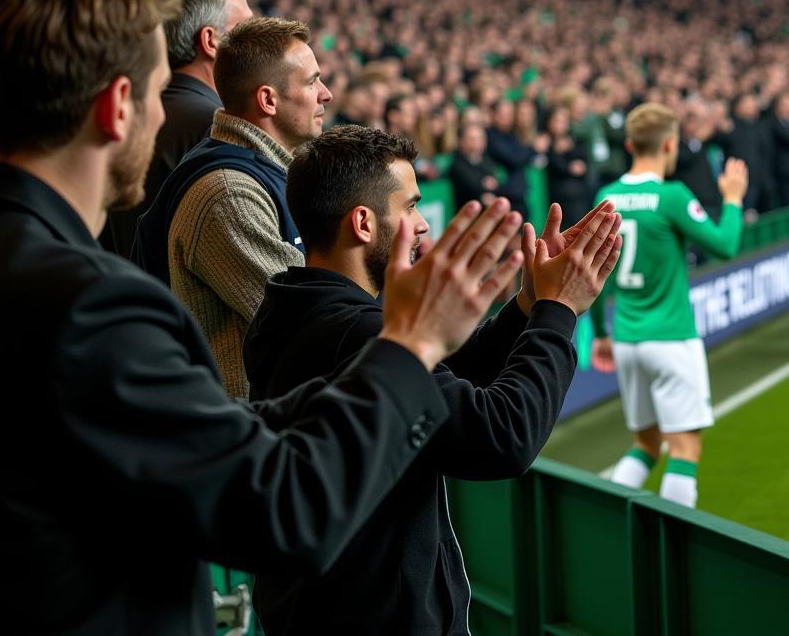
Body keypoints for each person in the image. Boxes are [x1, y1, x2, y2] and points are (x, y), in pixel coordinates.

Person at [0, 0, 527, 636]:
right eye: (157, 95)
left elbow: (211, 433)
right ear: (119, 107)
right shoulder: (93, 308)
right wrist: (410, 342)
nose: (163, 117)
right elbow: (287, 510)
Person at [244, 126, 622, 634]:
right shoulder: (358, 331)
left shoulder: (291, 307)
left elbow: (440, 382)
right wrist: (559, 312)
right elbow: (502, 436)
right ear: (362, 223)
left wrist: (527, 307)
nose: (422, 225)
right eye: (411, 206)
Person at [132, 17, 329, 397]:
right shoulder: (229, 196)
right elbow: (312, 324)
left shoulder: (264, 170)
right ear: (268, 99)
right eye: (311, 81)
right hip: (242, 433)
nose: (326, 94)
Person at [590, 103, 748, 508]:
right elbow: (726, 245)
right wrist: (732, 200)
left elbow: (592, 275)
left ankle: (611, 518)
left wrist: (602, 335)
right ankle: (675, 547)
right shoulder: (671, 195)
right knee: (684, 449)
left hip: (627, 338)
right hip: (672, 337)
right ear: (670, 145)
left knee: (645, 443)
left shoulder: (606, 197)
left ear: (629, 144)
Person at [105, 0, 252, 256]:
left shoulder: (126, 115)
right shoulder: (220, 127)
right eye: (247, 29)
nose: (260, 40)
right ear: (211, 41)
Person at [543, 104, 593, 228]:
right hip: (555, 195)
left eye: (564, 121)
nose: (561, 125)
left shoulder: (575, 141)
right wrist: (557, 154)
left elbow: (583, 165)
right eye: (557, 121)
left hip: (578, 194)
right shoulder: (545, 142)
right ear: (549, 122)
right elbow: (558, 166)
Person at [449, 120, 504, 209]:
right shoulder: (457, 165)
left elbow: (496, 184)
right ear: (461, 141)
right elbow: (471, 187)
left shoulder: (487, 161)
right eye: (472, 139)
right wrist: (483, 188)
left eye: (480, 138)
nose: (478, 142)